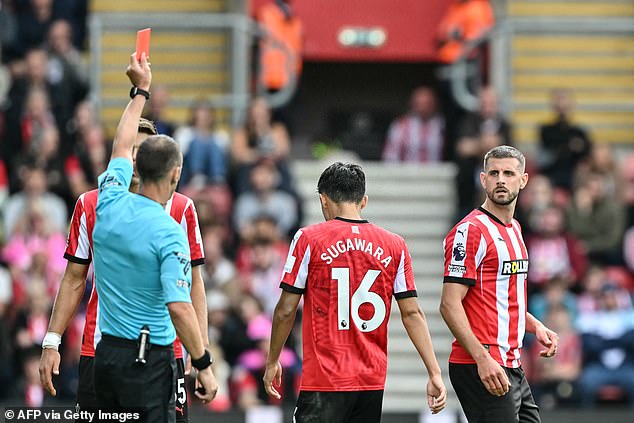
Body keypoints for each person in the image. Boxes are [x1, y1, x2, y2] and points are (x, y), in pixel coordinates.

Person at [42, 53, 217, 420]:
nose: (133, 158)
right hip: (105, 347)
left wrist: (140, 91)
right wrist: (53, 340)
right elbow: (75, 277)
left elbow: (194, 285)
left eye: (142, 151)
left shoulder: (167, 208)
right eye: (131, 150)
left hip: (159, 350)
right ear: (173, 172)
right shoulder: (95, 203)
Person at [263, 162, 447, 422]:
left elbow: (285, 310)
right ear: (364, 201)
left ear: (323, 200)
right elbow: (412, 313)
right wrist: (434, 372)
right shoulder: (395, 245)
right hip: (370, 382)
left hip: (324, 380)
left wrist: (272, 361)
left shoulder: (308, 239)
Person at [440, 145, 559, 423]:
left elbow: (502, 298)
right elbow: (449, 304)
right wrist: (482, 359)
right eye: (493, 173)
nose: (501, 180)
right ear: (483, 180)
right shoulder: (470, 232)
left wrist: (535, 325)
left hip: (511, 363)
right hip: (481, 362)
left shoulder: (515, 229)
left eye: (508, 173)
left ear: (524, 180)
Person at [382, 86, 445, 163]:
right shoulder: (401, 125)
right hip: (408, 172)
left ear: (434, 104)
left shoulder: (442, 125)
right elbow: (390, 156)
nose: (423, 108)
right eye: (420, 104)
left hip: (438, 172)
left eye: (427, 104)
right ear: (412, 104)